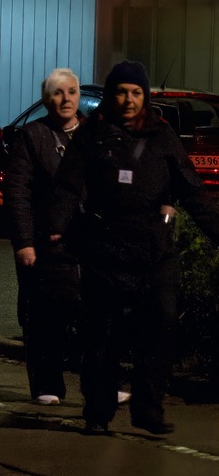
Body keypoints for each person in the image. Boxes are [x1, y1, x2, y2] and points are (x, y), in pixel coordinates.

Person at [50, 61, 219, 436]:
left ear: (144, 97)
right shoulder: (91, 134)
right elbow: (67, 186)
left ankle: (148, 407)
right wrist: (57, 228)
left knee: (159, 330)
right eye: (122, 92)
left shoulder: (162, 135)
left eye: (136, 93)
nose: (128, 100)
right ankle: (98, 411)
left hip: (154, 250)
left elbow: (192, 189)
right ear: (111, 95)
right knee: (101, 336)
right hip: (104, 248)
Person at [2, 68, 84, 406]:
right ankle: (46, 384)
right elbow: (17, 192)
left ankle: (100, 382)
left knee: (93, 313)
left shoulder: (93, 134)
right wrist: (24, 242)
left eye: (71, 92)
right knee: (44, 315)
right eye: (57, 92)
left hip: (86, 241)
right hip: (43, 241)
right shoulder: (32, 137)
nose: (66, 99)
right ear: (45, 98)